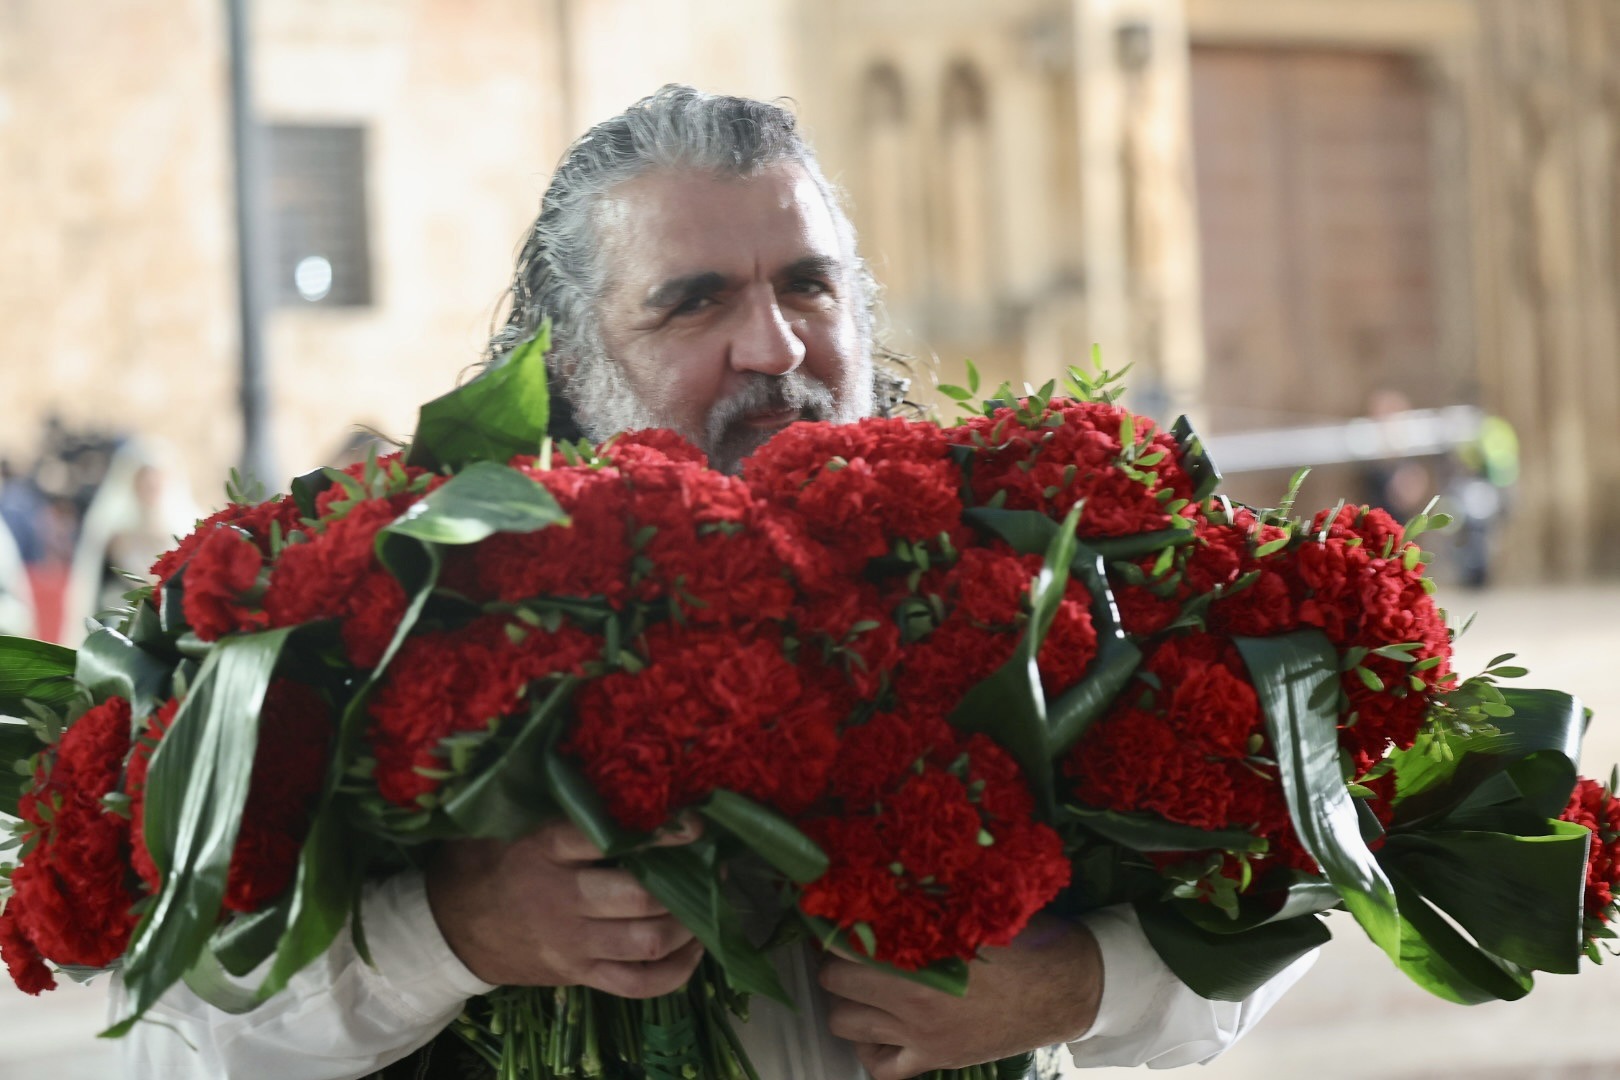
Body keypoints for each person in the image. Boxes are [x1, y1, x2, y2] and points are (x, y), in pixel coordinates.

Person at [117, 86, 1312, 1080]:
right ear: (572, 359)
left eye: (807, 284)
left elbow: (1291, 872)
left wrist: (1078, 984)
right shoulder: (418, 607)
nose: (778, 349)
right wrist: (452, 931)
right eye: (694, 302)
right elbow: (183, 1038)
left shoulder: (1033, 556)